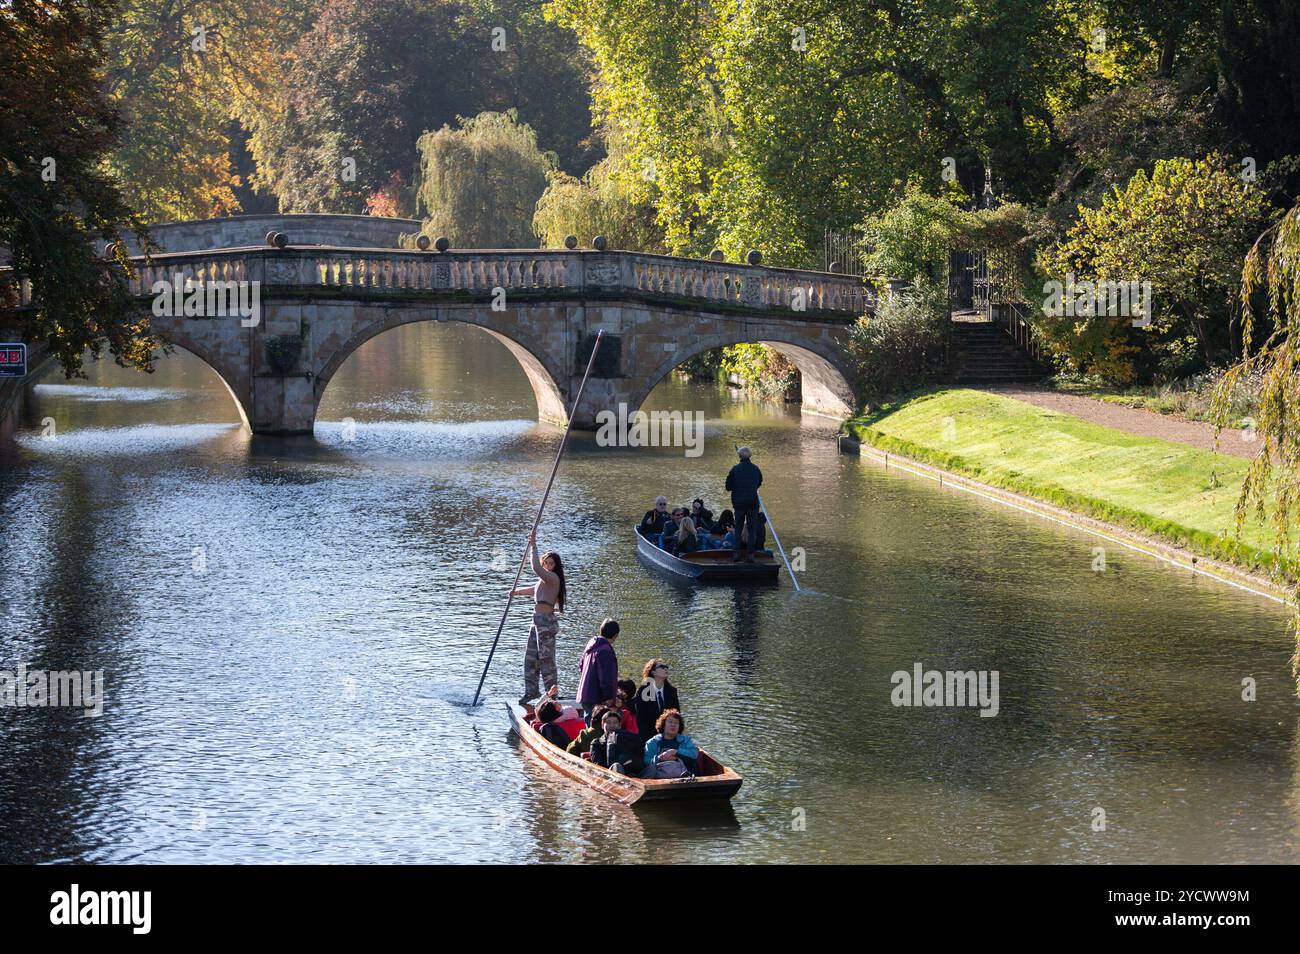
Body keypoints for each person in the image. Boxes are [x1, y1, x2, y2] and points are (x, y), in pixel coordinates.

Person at [513, 530, 565, 705]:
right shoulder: (542, 581)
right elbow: (532, 590)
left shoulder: (553, 578)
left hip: (546, 623)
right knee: (530, 658)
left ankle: (552, 695)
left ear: (555, 566)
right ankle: (531, 692)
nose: (548, 566)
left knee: (546, 661)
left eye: (551, 563)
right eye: (546, 563)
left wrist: (533, 546)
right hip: (536, 622)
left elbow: (535, 567)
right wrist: (515, 593)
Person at [577, 618, 620, 723]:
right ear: (615, 635)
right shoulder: (605, 650)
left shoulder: (592, 644)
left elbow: (581, 666)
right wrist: (609, 697)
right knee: (596, 728)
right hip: (596, 696)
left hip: (585, 694)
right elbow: (606, 677)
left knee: (590, 725)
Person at [725, 446, 763, 563]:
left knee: (738, 528)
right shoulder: (756, 469)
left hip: (739, 504)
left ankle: (736, 553)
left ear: (739, 456)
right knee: (752, 529)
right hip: (752, 503)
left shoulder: (735, 469)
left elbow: (728, 487)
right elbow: (759, 482)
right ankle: (750, 555)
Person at [634, 658, 680, 743]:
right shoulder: (644, 691)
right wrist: (649, 742)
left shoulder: (671, 691)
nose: (666, 669)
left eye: (666, 667)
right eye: (662, 667)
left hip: (670, 735)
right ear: (653, 672)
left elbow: (677, 716)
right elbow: (641, 720)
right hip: (650, 737)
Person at [642, 709, 698, 778]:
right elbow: (646, 761)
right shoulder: (652, 742)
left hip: (685, 776)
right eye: (670, 722)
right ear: (663, 724)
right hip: (659, 777)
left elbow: (694, 754)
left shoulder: (686, 740)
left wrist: (675, 752)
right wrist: (660, 758)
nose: (673, 725)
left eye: (676, 723)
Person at [589, 709, 645, 775]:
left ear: (619, 725)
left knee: (654, 767)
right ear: (602, 725)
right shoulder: (596, 743)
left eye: (615, 723)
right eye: (608, 722)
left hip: (633, 774)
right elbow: (598, 766)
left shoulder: (628, 738)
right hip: (609, 776)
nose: (612, 725)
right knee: (617, 766)